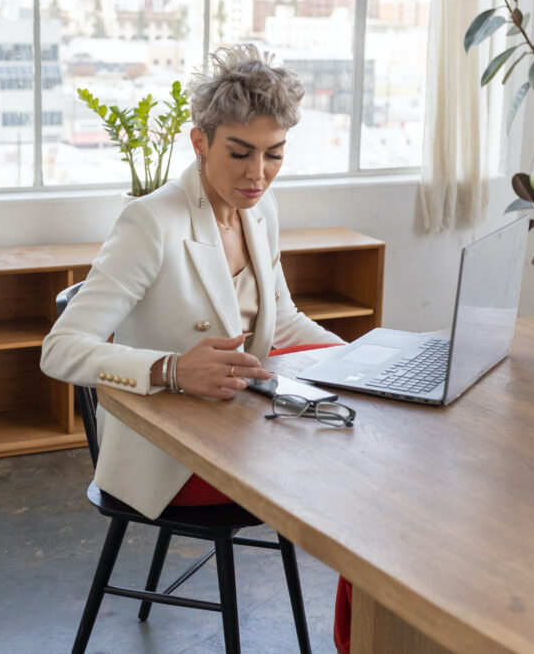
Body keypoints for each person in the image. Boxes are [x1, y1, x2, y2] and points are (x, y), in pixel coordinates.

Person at [40, 43, 343, 520]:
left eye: (274, 155)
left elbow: (281, 319)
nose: (258, 174)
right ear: (199, 143)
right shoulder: (150, 222)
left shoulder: (260, 208)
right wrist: (174, 370)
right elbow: (60, 350)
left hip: (239, 423)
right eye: (240, 153)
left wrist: (359, 362)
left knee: (365, 462)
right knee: (353, 481)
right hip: (171, 456)